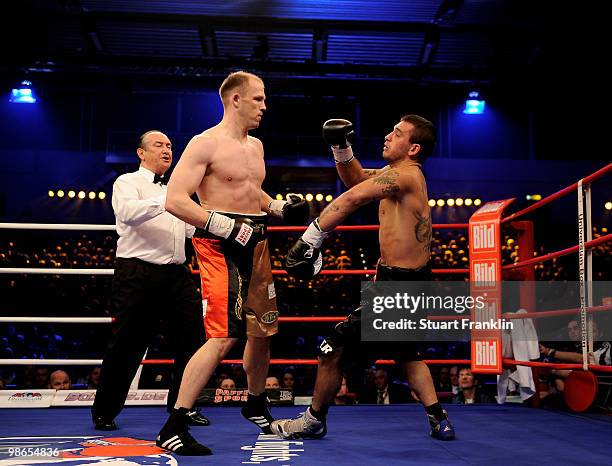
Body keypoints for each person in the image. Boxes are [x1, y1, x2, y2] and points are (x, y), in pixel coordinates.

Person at [271, 115, 455, 441]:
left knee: (331, 350)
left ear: (413, 147)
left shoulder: (406, 176)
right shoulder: (394, 175)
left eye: (396, 133)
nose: (387, 135)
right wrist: (341, 148)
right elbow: (355, 180)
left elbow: (352, 198)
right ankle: (438, 418)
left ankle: (314, 419)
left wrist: (311, 236)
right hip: (406, 279)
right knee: (408, 353)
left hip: (398, 287)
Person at [155, 71, 310, 456]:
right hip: (219, 246)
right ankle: (174, 424)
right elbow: (174, 199)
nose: (264, 105)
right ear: (235, 99)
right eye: (258, 98)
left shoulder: (255, 146)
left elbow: (249, 189)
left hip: (256, 242)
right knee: (222, 336)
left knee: (262, 331)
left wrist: (276, 206)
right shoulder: (204, 143)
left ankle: (255, 402)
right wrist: (223, 225)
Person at [92, 130, 209, 431]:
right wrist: (168, 199)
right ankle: (105, 411)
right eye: (158, 145)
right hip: (138, 273)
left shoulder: (177, 189)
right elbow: (128, 213)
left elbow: (187, 233)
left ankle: (182, 407)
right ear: (141, 153)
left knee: (194, 341)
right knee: (127, 343)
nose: (167, 150)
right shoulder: (127, 182)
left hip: (177, 274)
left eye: (170, 146)